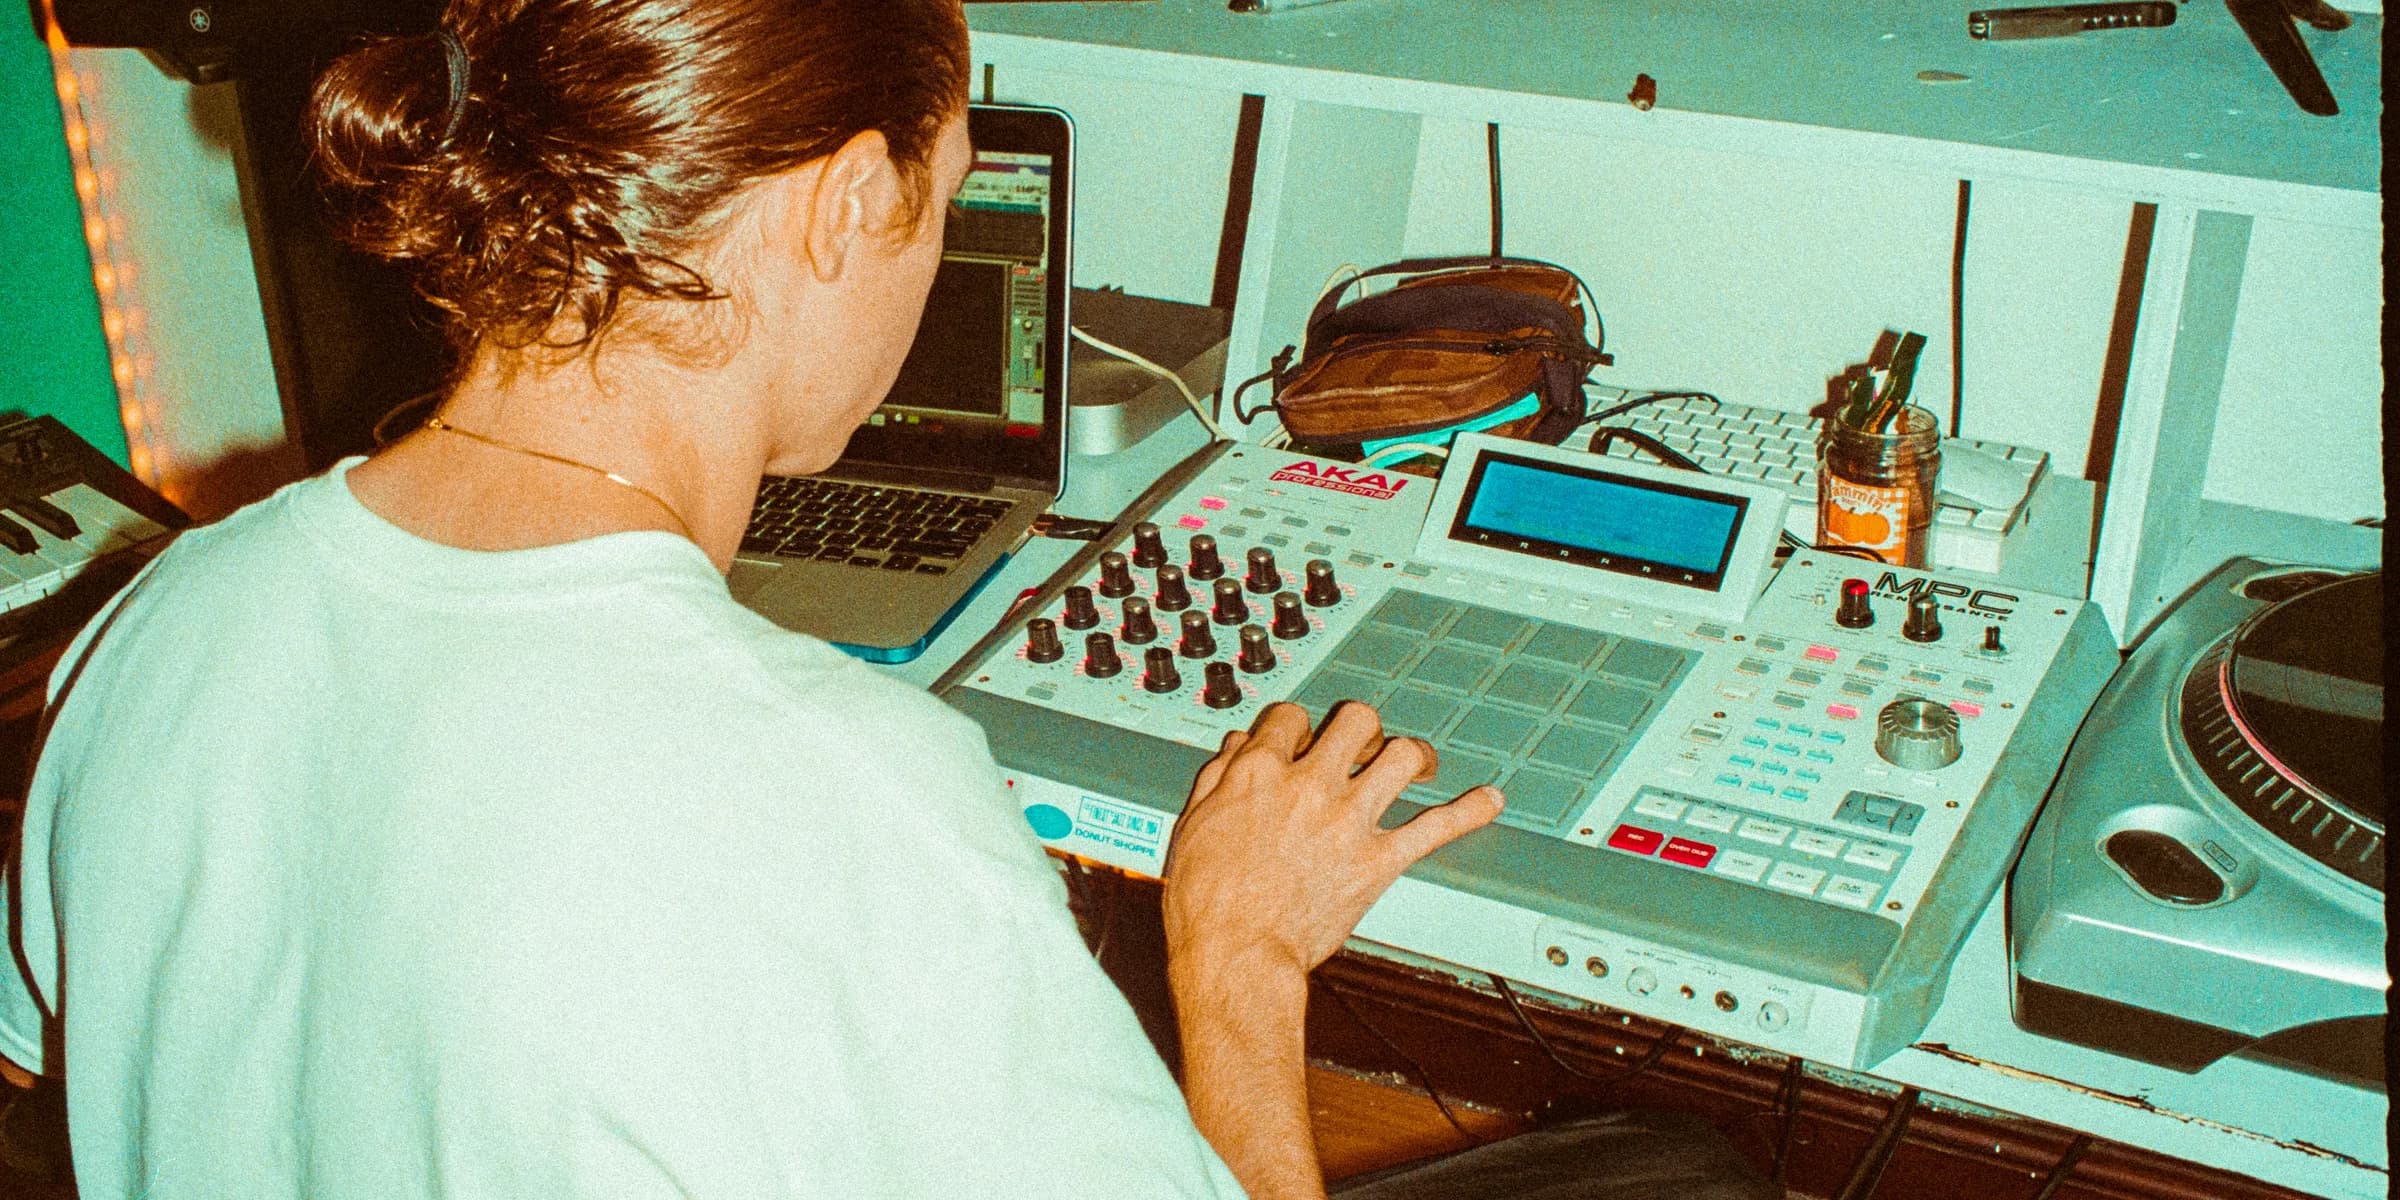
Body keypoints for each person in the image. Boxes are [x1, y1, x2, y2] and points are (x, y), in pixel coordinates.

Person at [0, 2, 1775, 1197]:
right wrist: (1232, 961)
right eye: (939, 193)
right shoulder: (846, 793)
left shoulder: (156, 626)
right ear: (851, 203)